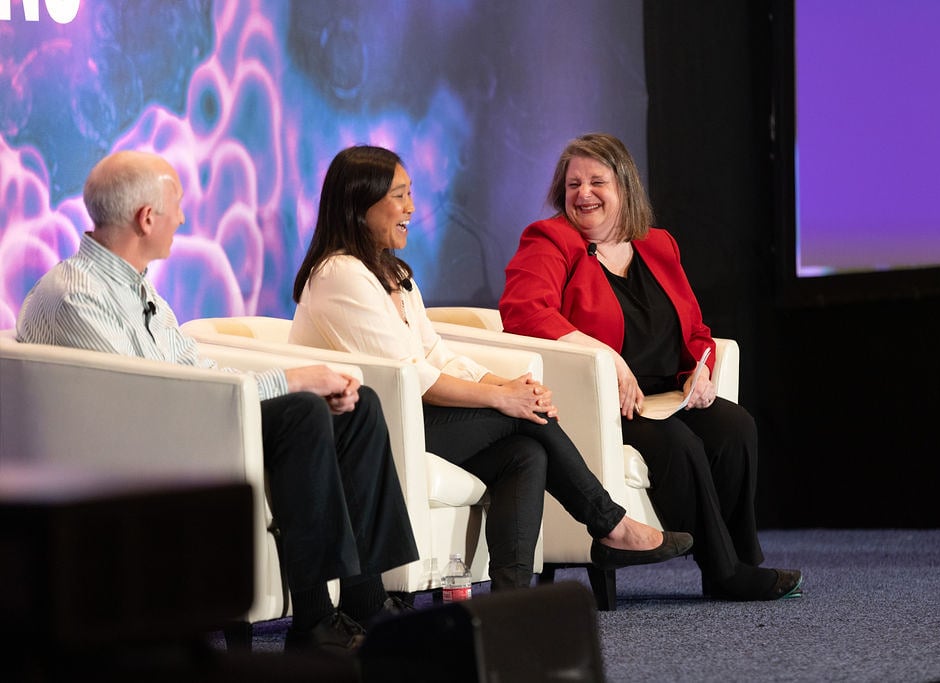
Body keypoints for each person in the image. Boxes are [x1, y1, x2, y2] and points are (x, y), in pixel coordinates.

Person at [16, 150, 420, 656]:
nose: (183, 218)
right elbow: (145, 395)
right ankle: (313, 621)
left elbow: (199, 376)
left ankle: (366, 602)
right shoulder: (75, 295)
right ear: (147, 218)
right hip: (141, 447)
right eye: (177, 206)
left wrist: (293, 382)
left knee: (358, 407)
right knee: (302, 411)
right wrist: (293, 383)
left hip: (183, 421)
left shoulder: (139, 290)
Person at [288, 145, 694, 592]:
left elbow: (436, 352)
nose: (412, 208)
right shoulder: (340, 275)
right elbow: (411, 377)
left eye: (411, 194)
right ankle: (610, 524)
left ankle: (511, 600)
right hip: (374, 426)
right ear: (360, 204)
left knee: (525, 452)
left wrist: (507, 383)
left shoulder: (392, 273)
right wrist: (503, 398)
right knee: (526, 420)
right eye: (399, 196)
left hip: (412, 416)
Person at [499, 133, 802, 601]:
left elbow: (696, 332)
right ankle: (722, 573)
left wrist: (699, 372)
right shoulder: (550, 240)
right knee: (677, 443)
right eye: (573, 183)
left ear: (624, 187)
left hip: (665, 392)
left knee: (734, 426)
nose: (583, 194)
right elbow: (524, 312)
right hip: (602, 402)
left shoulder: (657, 245)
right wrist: (605, 356)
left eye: (597, 181)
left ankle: (742, 559)